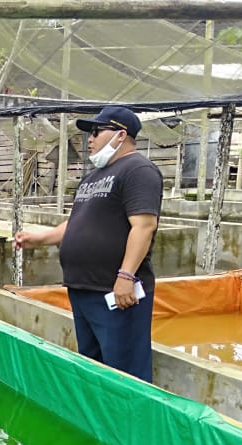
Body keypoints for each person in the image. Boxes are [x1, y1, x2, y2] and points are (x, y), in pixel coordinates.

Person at [14, 105, 162, 382]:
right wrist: (40, 238)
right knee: (94, 368)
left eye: (96, 131)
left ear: (121, 135)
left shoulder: (138, 170)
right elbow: (78, 224)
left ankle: (126, 422)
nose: (89, 139)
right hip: (82, 289)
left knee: (123, 372)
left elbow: (144, 226)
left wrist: (126, 276)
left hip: (116, 293)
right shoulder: (93, 177)